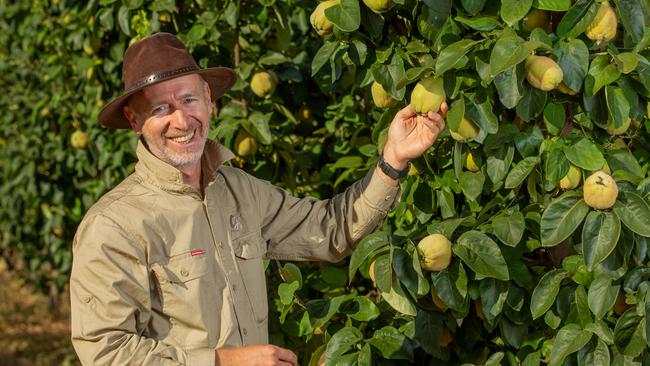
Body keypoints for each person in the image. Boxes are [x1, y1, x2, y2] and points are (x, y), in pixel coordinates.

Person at [70, 32, 447, 366]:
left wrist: (393, 159)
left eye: (188, 100)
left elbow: (330, 230)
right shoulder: (115, 225)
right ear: (135, 120)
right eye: (160, 109)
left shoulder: (238, 191)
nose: (182, 121)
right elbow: (106, 352)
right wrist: (221, 362)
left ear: (208, 100)